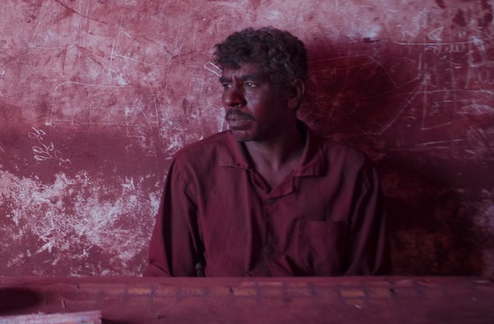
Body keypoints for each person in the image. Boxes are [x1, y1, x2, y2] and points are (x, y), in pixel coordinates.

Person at [145, 27, 389, 277]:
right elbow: (167, 278)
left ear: (293, 93)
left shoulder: (350, 172)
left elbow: (368, 286)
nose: (231, 99)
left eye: (250, 84)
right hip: (224, 306)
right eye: (226, 85)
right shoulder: (194, 167)